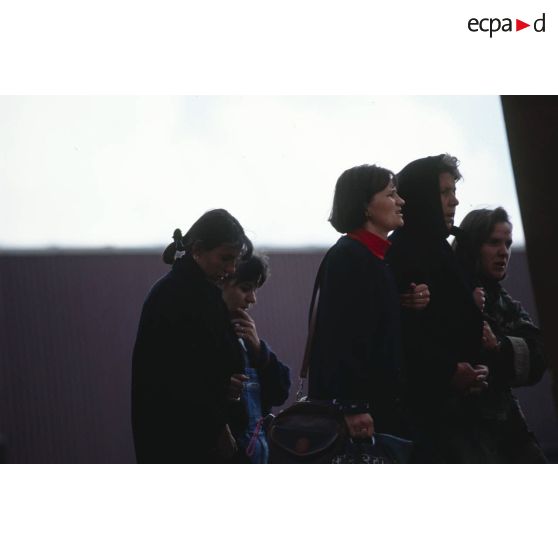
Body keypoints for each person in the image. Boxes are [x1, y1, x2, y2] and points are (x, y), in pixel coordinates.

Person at [308, 164, 425, 442]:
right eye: (391, 194)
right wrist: (353, 406)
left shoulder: (374, 257)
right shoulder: (349, 256)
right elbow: (342, 336)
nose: (401, 201)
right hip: (362, 416)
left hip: (379, 408)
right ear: (365, 206)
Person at [386, 154, 490, 463]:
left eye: (453, 192)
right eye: (445, 192)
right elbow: (405, 334)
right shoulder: (403, 251)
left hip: (461, 409)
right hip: (429, 419)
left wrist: (478, 368)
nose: (455, 201)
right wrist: (449, 371)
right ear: (422, 196)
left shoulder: (442, 246)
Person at [131, 209, 252, 463]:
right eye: (225, 258)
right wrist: (220, 408)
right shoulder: (187, 297)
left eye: (235, 260)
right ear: (198, 250)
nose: (231, 269)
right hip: (190, 442)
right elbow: (179, 375)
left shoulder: (176, 291)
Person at [453, 207, 547, 462]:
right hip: (458, 431)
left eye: (507, 243)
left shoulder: (504, 301)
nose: (504, 252)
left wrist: (500, 346)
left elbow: (539, 355)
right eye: (493, 242)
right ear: (472, 246)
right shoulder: (448, 291)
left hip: (506, 427)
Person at [221, 253, 291, 463]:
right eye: (244, 288)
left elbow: (281, 392)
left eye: (254, 290)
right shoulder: (204, 338)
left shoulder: (245, 340)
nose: (252, 299)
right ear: (220, 282)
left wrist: (260, 351)